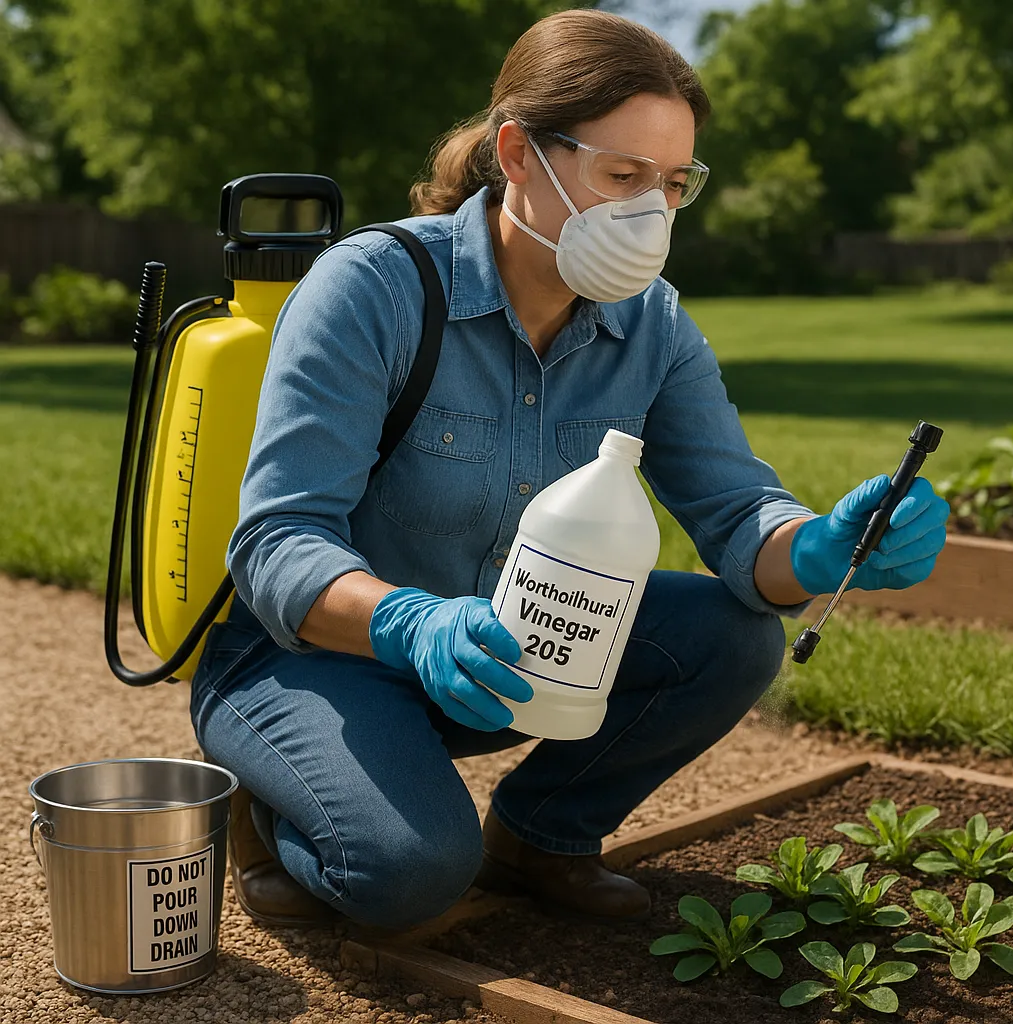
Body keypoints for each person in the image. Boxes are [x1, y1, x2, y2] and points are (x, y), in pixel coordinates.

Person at [190, 8, 949, 932]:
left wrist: (825, 545)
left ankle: (543, 834)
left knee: (734, 634)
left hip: (503, 655)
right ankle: (270, 810)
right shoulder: (374, 287)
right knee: (412, 874)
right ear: (518, 154)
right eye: (622, 175)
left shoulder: (654, 326)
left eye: (674, 184)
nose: (650, 211)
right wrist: (407, 620)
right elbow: (274, 544)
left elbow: (738, 513)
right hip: (315, 660)